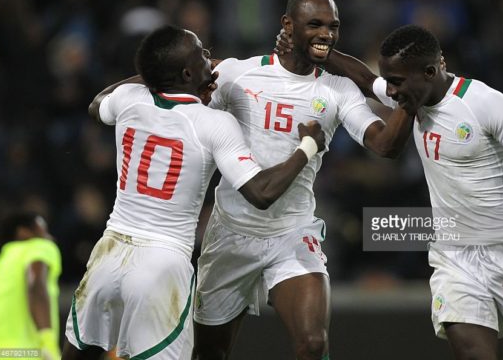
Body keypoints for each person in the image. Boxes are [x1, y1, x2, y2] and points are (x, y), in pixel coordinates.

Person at [61, 25, 326, 360]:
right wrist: (307, 146)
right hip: (163, 263)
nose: (209, 56)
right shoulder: (211, 123)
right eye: (201, 52)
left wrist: (153, 77)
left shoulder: (129, 101)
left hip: (109, 252)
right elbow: (261, 193)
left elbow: (97, 103)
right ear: (187, 72)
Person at [318, 24, 503, 360]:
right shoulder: (410, 92)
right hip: (454, 260)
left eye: (397, 81)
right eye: (388, 80)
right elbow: (362, 77)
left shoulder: (486, 103)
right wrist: (324, 53)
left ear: (431, 71)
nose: (390, 91)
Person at [194, 0, 413, 360]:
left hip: (292, 233)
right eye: (315, 24)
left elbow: (385, 146)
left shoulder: (338, 89)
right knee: (210, 354)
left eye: (333, 26)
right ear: (287, 24)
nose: (326, 32)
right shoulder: (237, 75)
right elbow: (180, 98)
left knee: (313, 343)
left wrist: (411, 99)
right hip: (231, 233)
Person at [0, 211, 62, 360]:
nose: (50, 237)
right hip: (27, 352)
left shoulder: (1, 262)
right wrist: (48, 341)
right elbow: (35, 285)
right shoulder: (39, 246)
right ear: (23, 232)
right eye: (43, 230)